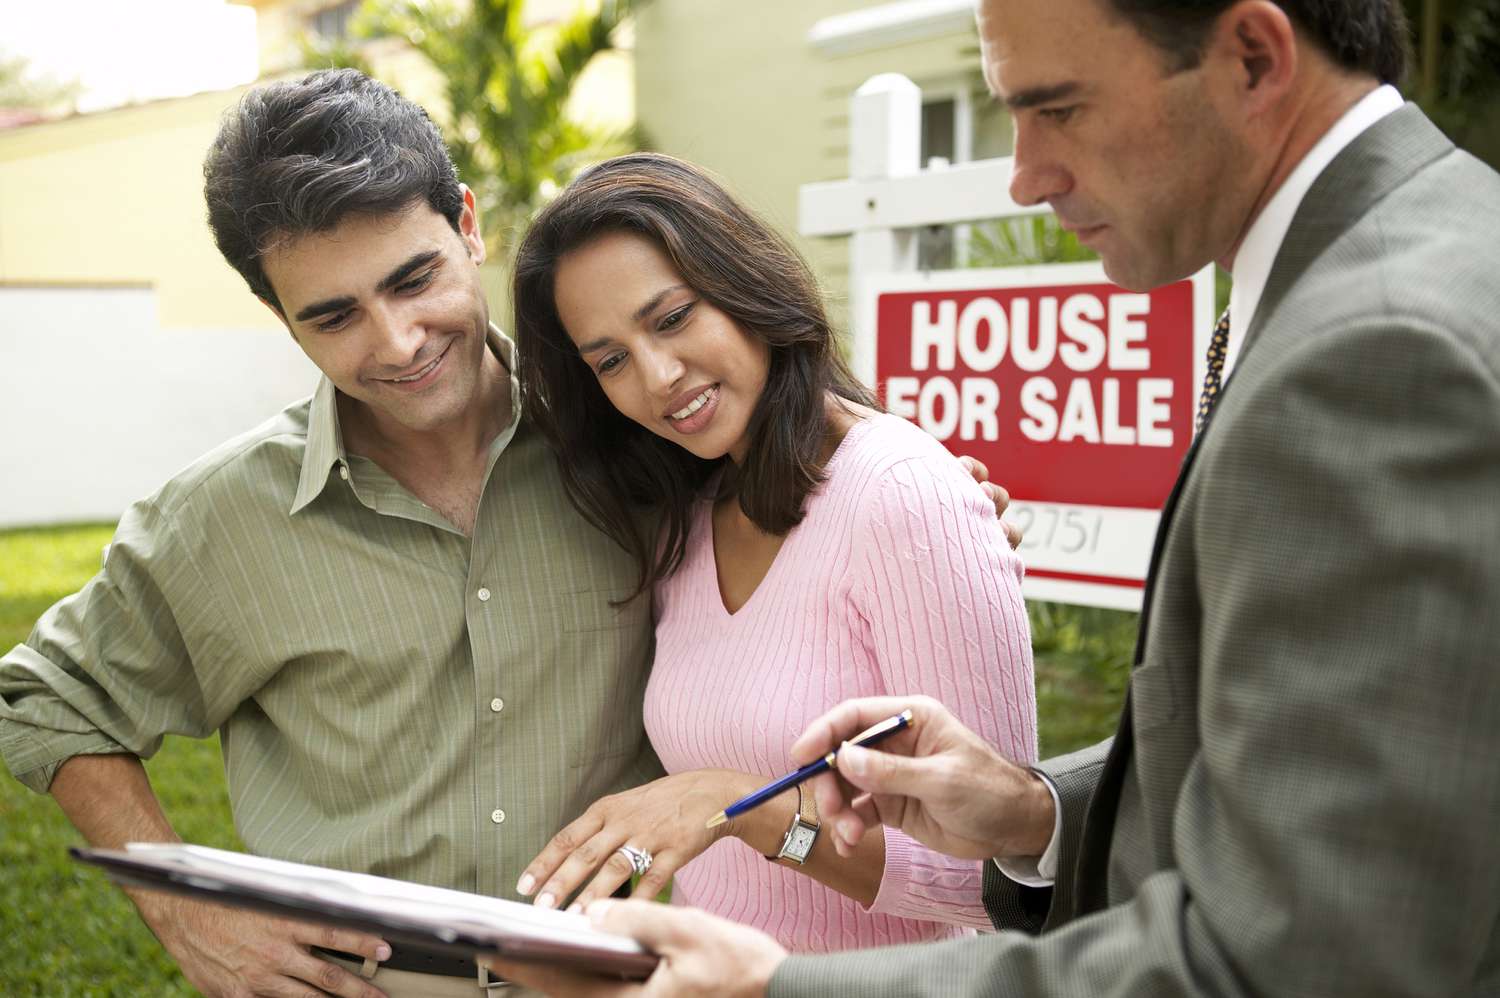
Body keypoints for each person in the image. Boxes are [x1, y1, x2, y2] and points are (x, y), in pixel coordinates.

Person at [484, 0, 1500, 993]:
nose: (1025, 176)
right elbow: (1299, 751)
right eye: (611, 357)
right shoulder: (1400, 267)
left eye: (1058, 107)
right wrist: (1034, 809)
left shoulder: (1376, 347)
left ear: (1251, 56)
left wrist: (776, 979)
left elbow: (1305, 950)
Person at [0, 71, 1014, 997]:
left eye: (412, 279)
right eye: (334, 314)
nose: (398, 342)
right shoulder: (219, 517)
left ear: (468, 225)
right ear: (281, 317)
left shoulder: (629, 446)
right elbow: (43, 698)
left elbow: (808, 484)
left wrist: (929, 510)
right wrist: (187, 912)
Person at [504, 154, 1038, 952]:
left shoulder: (903, 495)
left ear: (743, 285)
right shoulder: (685, 514)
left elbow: (1002, 876)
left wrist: (744, 806)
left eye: (673, 317)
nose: (657, 376)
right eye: (610, 359)